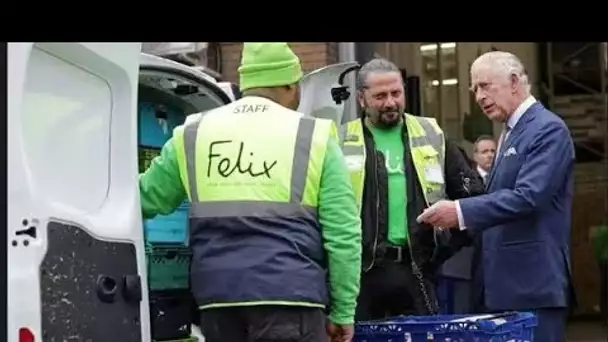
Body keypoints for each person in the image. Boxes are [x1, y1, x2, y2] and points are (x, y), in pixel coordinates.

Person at [139, 43, 362, 342]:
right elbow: (344, 234)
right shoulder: (315, 136)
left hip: (218, 302)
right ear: (291, 85)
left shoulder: (192, 133)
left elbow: (146, 197)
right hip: (291, 299)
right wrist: (343, 311)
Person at [417, 51, 576, 342]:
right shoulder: (510, 133)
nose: (478, 96)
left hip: (532, 288)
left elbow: (529, 196)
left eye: (484, 85)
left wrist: (460, 212)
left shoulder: (548, 129)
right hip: (503, 289)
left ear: (514, 82)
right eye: (474, 88)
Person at [340, 58, 485, 320]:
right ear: (362, 99)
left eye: (396, 93)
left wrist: (443, 250)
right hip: (359, 275)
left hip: (417, 271)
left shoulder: (432, 134)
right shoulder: (340, 140)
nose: (390, 102)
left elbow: (472, 199)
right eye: (380, 96)